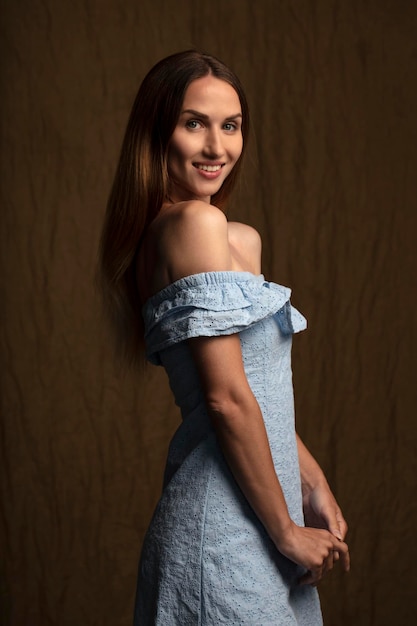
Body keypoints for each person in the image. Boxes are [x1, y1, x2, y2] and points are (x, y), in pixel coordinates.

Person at [99, 50, 350, 625]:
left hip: (260, 517)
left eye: (230, 126)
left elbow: (256, 390)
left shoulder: (234, 238)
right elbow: (225, 399)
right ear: (157, 133)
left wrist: (311, 482)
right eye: (194, 123)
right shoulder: (192, 226)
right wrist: (286, 531)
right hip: (228, 532)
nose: (217, 148)